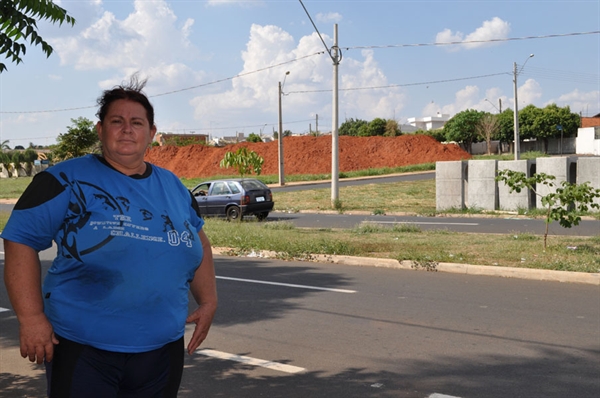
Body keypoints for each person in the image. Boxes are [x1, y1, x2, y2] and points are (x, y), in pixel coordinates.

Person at [1, 76, 217, 397]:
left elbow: (197, 241)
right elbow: (20, 239)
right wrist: (31, 318)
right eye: (116, 121)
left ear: (151, 133)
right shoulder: (63, 180)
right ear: (101, 129)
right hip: (84, 348)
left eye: (136, 122)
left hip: (162, 348)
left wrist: (209, 300)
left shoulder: (173, 186)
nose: (127, 129)